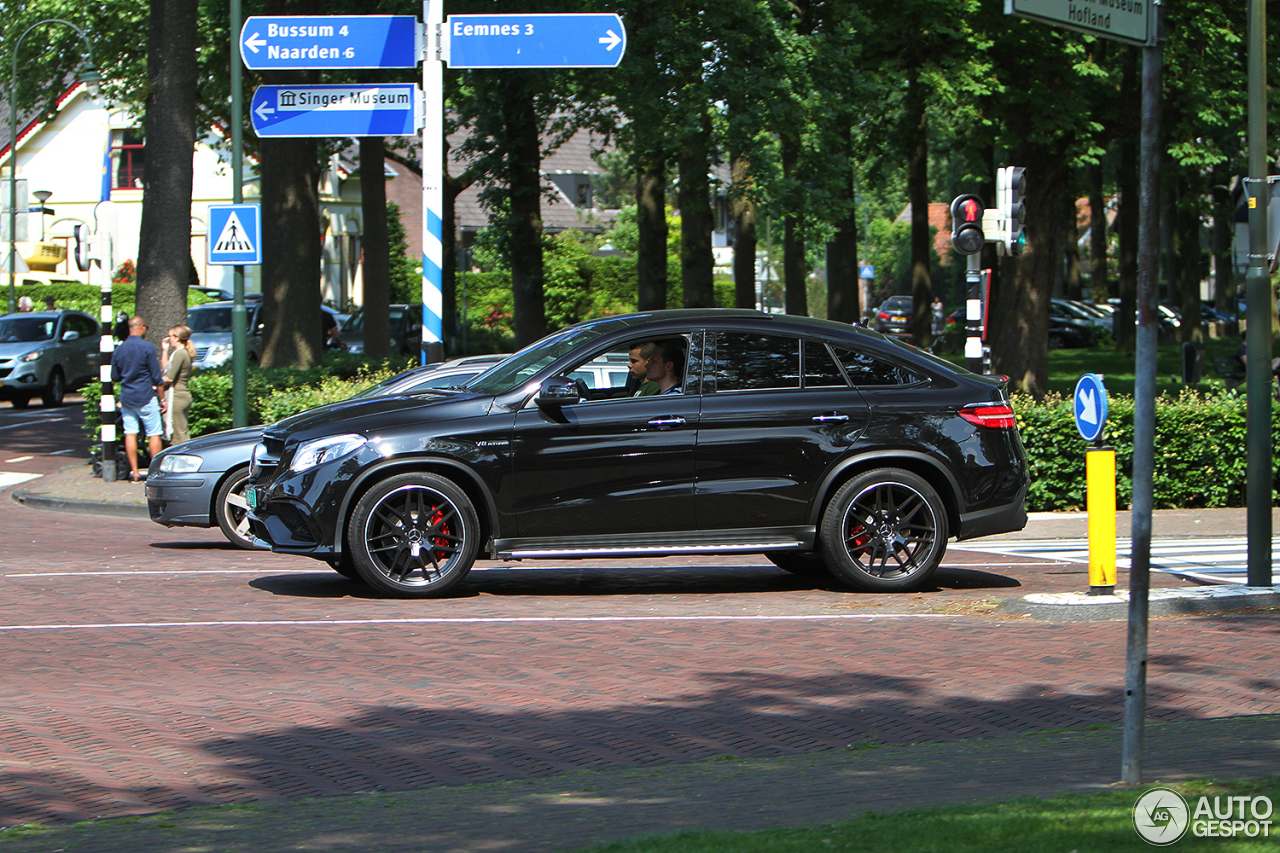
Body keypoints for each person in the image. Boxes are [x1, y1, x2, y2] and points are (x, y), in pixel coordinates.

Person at [111, 316, 166, 482]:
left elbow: (114, 376)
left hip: (127, 397)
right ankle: (154, 472)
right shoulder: (147, 348)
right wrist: (162, 399)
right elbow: (157, 377)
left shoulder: (119, 349)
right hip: (146, 396)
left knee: (130, 433)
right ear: (141, 326)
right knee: (154, 433)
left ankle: (134, 472)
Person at [161, 324, 195, 445]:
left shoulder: (180, 353)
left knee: (179, 434)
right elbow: (166, 369)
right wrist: (165, 351)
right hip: (181, 395)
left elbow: (169, 378)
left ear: (177, 337)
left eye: (170, 336)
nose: (168, 339)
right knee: (181, 430)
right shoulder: (178, 353)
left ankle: (184, 458)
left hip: (177, 396)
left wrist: (156, 385)